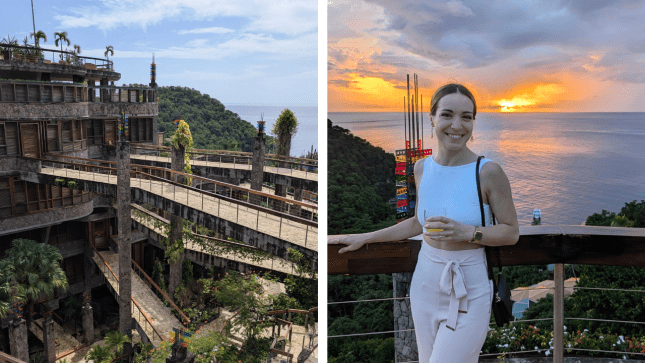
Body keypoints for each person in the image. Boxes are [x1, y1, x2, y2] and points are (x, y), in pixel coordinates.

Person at [329, 83, 519, 363]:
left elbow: (511, 232)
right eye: (447, 115)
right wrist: (366, 236)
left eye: (466, 117)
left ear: (473, 122)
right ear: (432, 118)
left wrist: (469, 232)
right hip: (426, 281)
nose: (457, 125)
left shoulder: (488, 172)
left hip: (470, 284)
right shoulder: (422, 168)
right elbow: (418, 224)